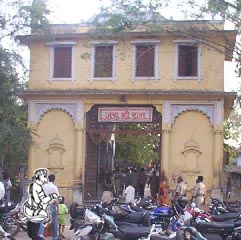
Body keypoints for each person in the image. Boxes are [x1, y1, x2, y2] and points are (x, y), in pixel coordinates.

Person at [38, 174, 61, 240]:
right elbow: (57, 198)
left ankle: (41, 235)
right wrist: (58, 208)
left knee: (42, 221)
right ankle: (55, 237)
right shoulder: (54, 187)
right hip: (51, 206)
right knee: (54, 221)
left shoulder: (43, 186)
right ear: (54, 180)